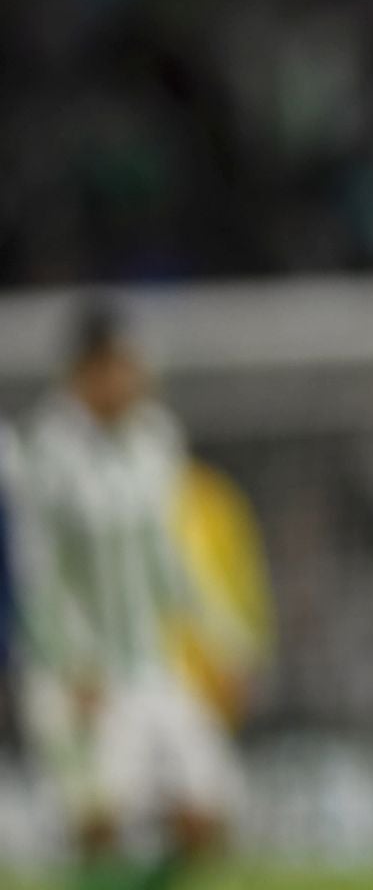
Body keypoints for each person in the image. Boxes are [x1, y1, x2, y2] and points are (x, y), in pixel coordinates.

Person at [3, 299, 243, 890]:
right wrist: (70, 664)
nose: (131, 377)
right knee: (98, 827)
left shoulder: (156, 437)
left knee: (205, 818)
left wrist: (223, 639)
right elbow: (35, 569)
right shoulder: (45, 449)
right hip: (77, 672)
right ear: (86, 370)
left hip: (150, 663)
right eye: (118, 364)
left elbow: (168, 558)